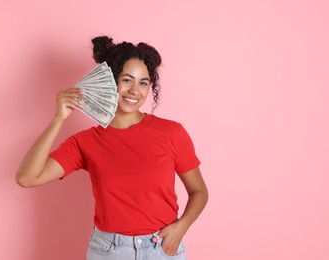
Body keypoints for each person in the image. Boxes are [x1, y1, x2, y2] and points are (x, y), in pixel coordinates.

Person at [16, 36, 208, 260]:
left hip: (162, 248)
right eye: (127, 80)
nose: (135, 91)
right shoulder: (85, 142)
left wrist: (182, 227)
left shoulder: (172, 133)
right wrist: (59, 118)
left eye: (143, 83)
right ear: (110, 81)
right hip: (109, 252)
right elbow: (27, 178)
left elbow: (199, 191)